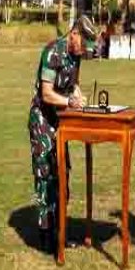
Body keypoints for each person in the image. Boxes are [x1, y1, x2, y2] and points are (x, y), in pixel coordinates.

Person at [27, 16, 97, 253]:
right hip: (43, 121)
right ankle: (45, 235)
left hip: (61, 120)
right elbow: (47, 94)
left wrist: (78, 95)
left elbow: (73, 83)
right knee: (46, 175)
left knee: (62, 174)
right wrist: (68, 100)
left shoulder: (76, 54)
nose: (83, 51)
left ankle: (61, 231)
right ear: (74, 33)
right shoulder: (52, 52)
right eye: (82, 44)